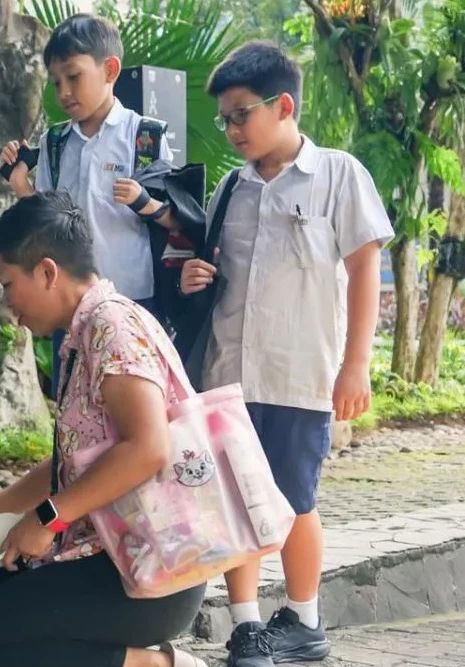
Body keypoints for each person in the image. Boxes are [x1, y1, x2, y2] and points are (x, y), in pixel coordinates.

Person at [180, 41, 393, 666]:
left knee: (296, 499)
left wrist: (356, 366)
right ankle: (245, 625)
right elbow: (219, 271)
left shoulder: (339, 175)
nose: (231, 128)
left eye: (241, 113)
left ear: (285, 106)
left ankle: (303, 620)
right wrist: (197, 274)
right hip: (229, 375)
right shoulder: (230, 189)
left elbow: (363, 270)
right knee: (235, 504)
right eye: (225, 117)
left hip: (300, 375)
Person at [0, 191, 207, 667]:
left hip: (149, 565)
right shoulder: (82, 333)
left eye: (8, 283)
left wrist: (47, 518)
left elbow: (148, 449)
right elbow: (71, 461)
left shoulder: (112, 328)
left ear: (47, 272)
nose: (7, 303)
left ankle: (155, 664)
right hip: (99, 548)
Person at [0, 13, 178, 315]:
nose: (63, 92)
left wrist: (143, 202)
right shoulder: (54, 142)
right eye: (56, 82)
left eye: (73, 76)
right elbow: (46, 223)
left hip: (131, 299)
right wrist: (20, 184)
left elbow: (177, 219)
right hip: (69, 301)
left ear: (110, 70)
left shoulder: (145, 137)